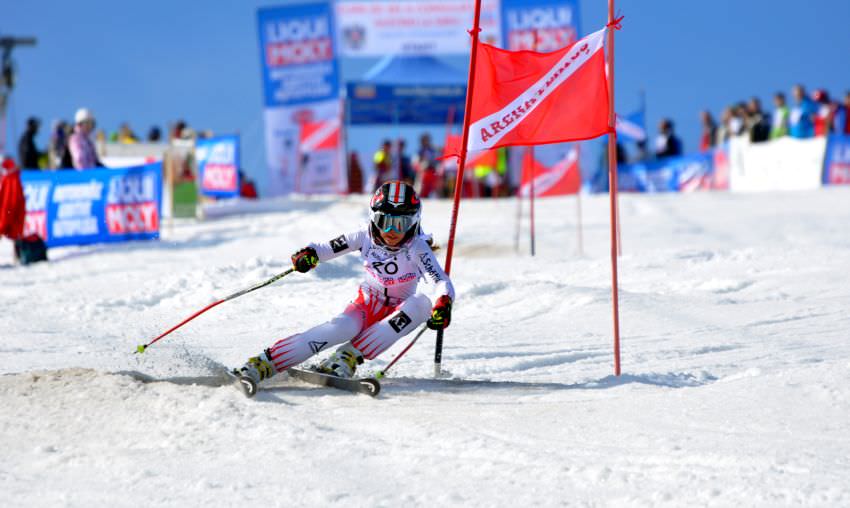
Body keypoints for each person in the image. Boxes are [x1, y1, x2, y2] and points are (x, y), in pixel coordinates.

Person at [231, 180, 455, 397]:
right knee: (341, 329)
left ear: (414, 222)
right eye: (383, 220)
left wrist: (443, 303)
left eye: (401, 223)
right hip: (365, 304)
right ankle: (263, 363)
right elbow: (323, 248)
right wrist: (308, 256)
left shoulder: (417, 247)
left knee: (423, 304)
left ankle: (347, 357)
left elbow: (440, 281)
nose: (391, 230)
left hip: (399, 309)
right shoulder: (363, 235)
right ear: (372, 217)